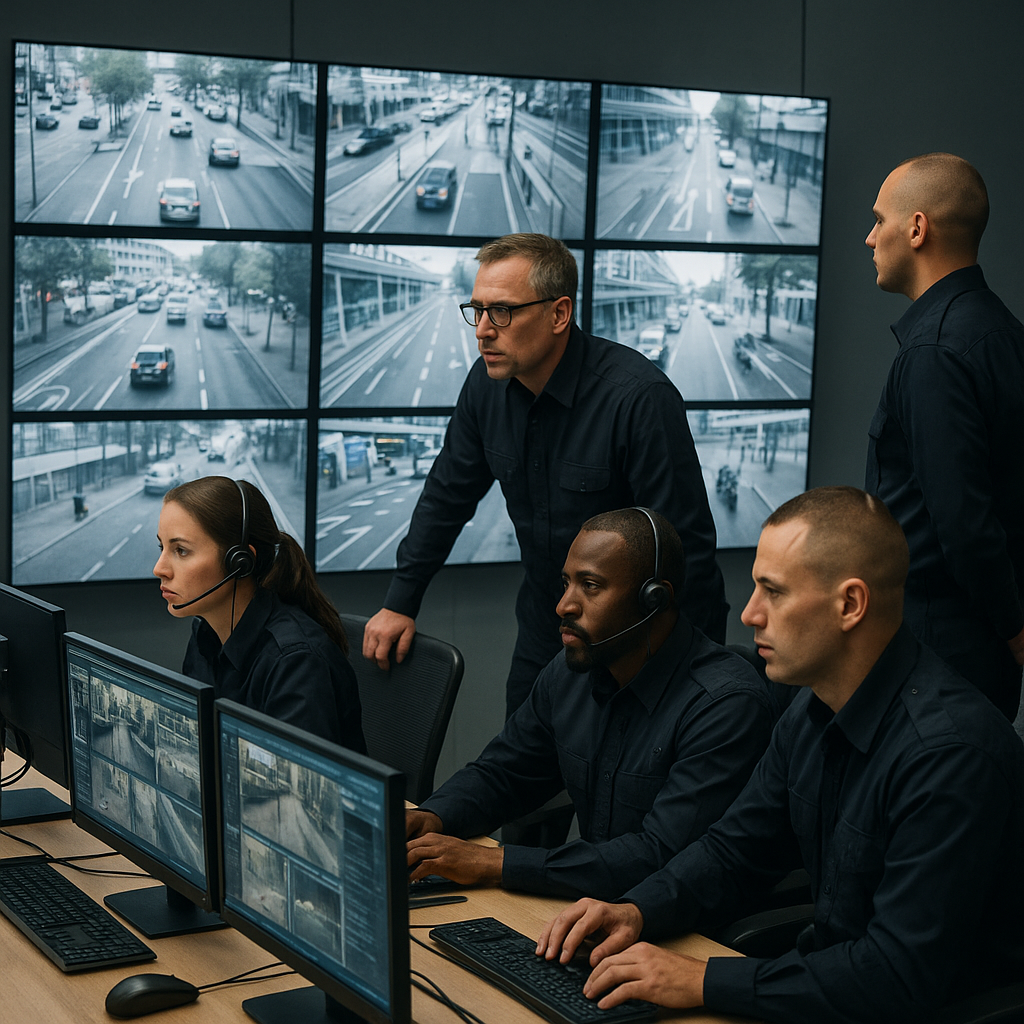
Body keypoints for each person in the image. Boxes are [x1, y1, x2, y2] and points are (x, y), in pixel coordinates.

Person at [537, 487, 1024, 1024]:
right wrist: (637, 911)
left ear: (850, 604)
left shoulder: (948, 757)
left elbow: (896, 975)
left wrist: (700, 979)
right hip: (835, 991)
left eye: (774, 592)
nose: (749, 615)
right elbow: (734, 850)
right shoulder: (811, 711)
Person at [364, 233, 727, 717]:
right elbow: (446, 496)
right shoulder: (485, 386)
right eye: (477, 310)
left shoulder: (638, 400)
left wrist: (686, 685)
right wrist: (400, 601)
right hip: (546, 628)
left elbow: (688, 556)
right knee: (518, 776)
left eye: (503, 312)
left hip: (636, 643)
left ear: (559, 314)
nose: (482, 331)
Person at [406, 508, 774, 901]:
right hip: (593, 906)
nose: (565, 605)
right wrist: (434, 816)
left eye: (591, 586)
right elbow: (504, 773)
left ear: (653, 600)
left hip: (681, 932)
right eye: (566, 583)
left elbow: (659, 856)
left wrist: (493, 863)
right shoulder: (572, 673)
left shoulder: (724, 706)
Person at [864, 152, 1024, 719]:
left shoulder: (932, 352)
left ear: (916, 228)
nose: (869, 238)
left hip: (937, 653)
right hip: (979, 651)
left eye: (879, 220)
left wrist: (1014, 630)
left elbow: (964, 522)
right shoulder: (1004, 331)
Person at [154, 475, 366, 752]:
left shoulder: (296, 662)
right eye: (162, 547)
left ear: (239, 562)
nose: (159, 568)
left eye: (181, 550)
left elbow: (292, 788)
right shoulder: (205, 633)